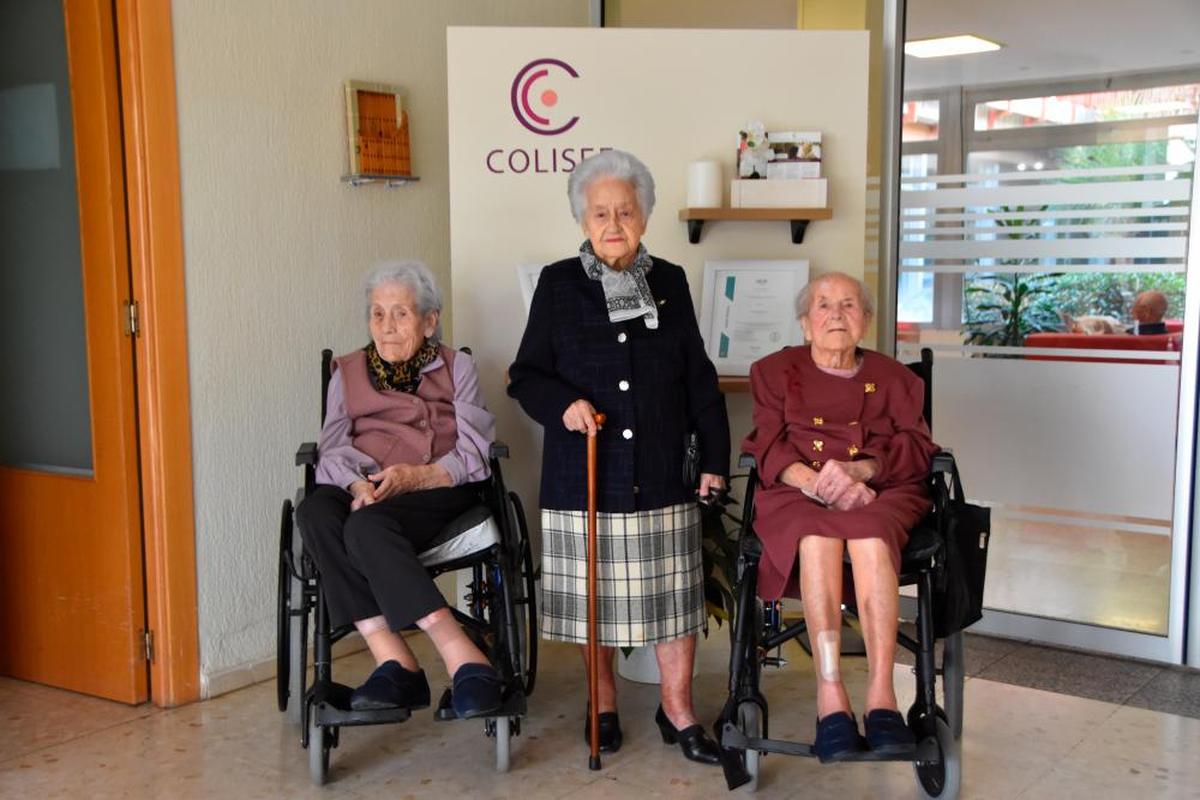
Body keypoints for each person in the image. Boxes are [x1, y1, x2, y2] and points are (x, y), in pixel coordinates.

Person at [508, 150, 729, 764]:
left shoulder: (671, 282)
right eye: (600, 212)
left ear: (644, 216)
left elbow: (698, 380)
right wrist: (564, 406)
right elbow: (525, 376)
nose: (612, 223)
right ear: (583, 219)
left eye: (624, 211)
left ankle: (678, 710)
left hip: (661, 469)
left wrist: (714, 459)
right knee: (593, 605)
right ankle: (601, 702)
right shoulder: (558, 284)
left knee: (676, 598)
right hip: (585, 473)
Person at [741, 272, 940, 763]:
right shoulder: (773, 371)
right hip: (797, 492)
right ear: (806, 324)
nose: (836, 315)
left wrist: (863, 469)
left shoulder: (898, 378)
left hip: (882, 489)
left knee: (871, 537)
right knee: (815, 538)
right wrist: (815, 482)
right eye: (823, 306)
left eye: (849, 305)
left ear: (866, 321)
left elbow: (918, 445)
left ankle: (881, 697)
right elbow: (766, 441)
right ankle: (830, 695)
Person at [295, 260, 502, 719]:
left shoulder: (457, 367)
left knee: (366, 527)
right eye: (377, 314)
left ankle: (463, 657)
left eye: (401, 314)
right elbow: (331, 446)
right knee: (314, 514)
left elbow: (475, 449)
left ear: (430, 321)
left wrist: (415, 476)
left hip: (437, 487)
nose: (387, 327)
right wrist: (357, 483)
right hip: (365, 485)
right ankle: (395, 660)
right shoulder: (345, 371)